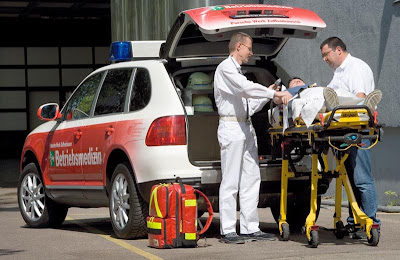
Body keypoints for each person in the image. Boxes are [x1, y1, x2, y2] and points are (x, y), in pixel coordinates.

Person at [214, 32, 291, 244]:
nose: (251, 52)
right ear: (239, 47)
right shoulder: (226, 69)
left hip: (245, 126)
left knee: (251, 178)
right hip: (231, 126)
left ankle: (251, 227)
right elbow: (245, 88)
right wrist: (272, 95)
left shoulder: (237, 72)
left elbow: (249, 104)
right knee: (231, 180)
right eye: (249, 48)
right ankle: (228, 229)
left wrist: (268, 92)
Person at [320, 36, 381, 238]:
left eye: (326, 54)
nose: (324, 59)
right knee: (350, 180)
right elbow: (329, 97)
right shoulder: (339, 73)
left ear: (338, 50)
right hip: (344, 130)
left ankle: (371, 222)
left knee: (361, 178)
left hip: (358, 129)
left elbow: (361, 98)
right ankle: (355, 221)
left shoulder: (356, 68)